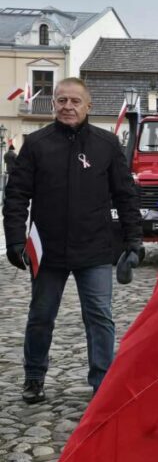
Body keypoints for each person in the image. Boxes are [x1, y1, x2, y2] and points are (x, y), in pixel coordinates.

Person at [3, 77, 142, 402]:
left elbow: (126, 195)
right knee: (40, 316)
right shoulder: (36, 144)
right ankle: (34, 376)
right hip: (47, 250)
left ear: (88, 105)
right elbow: (16, 195)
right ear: (54, 103)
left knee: (100, 317)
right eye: (62, 100)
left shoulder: (107, 144)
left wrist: (134, 240)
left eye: (75, 101)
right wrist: (15, 241)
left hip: (95, 248)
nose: (68, 106)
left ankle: (102, 383)